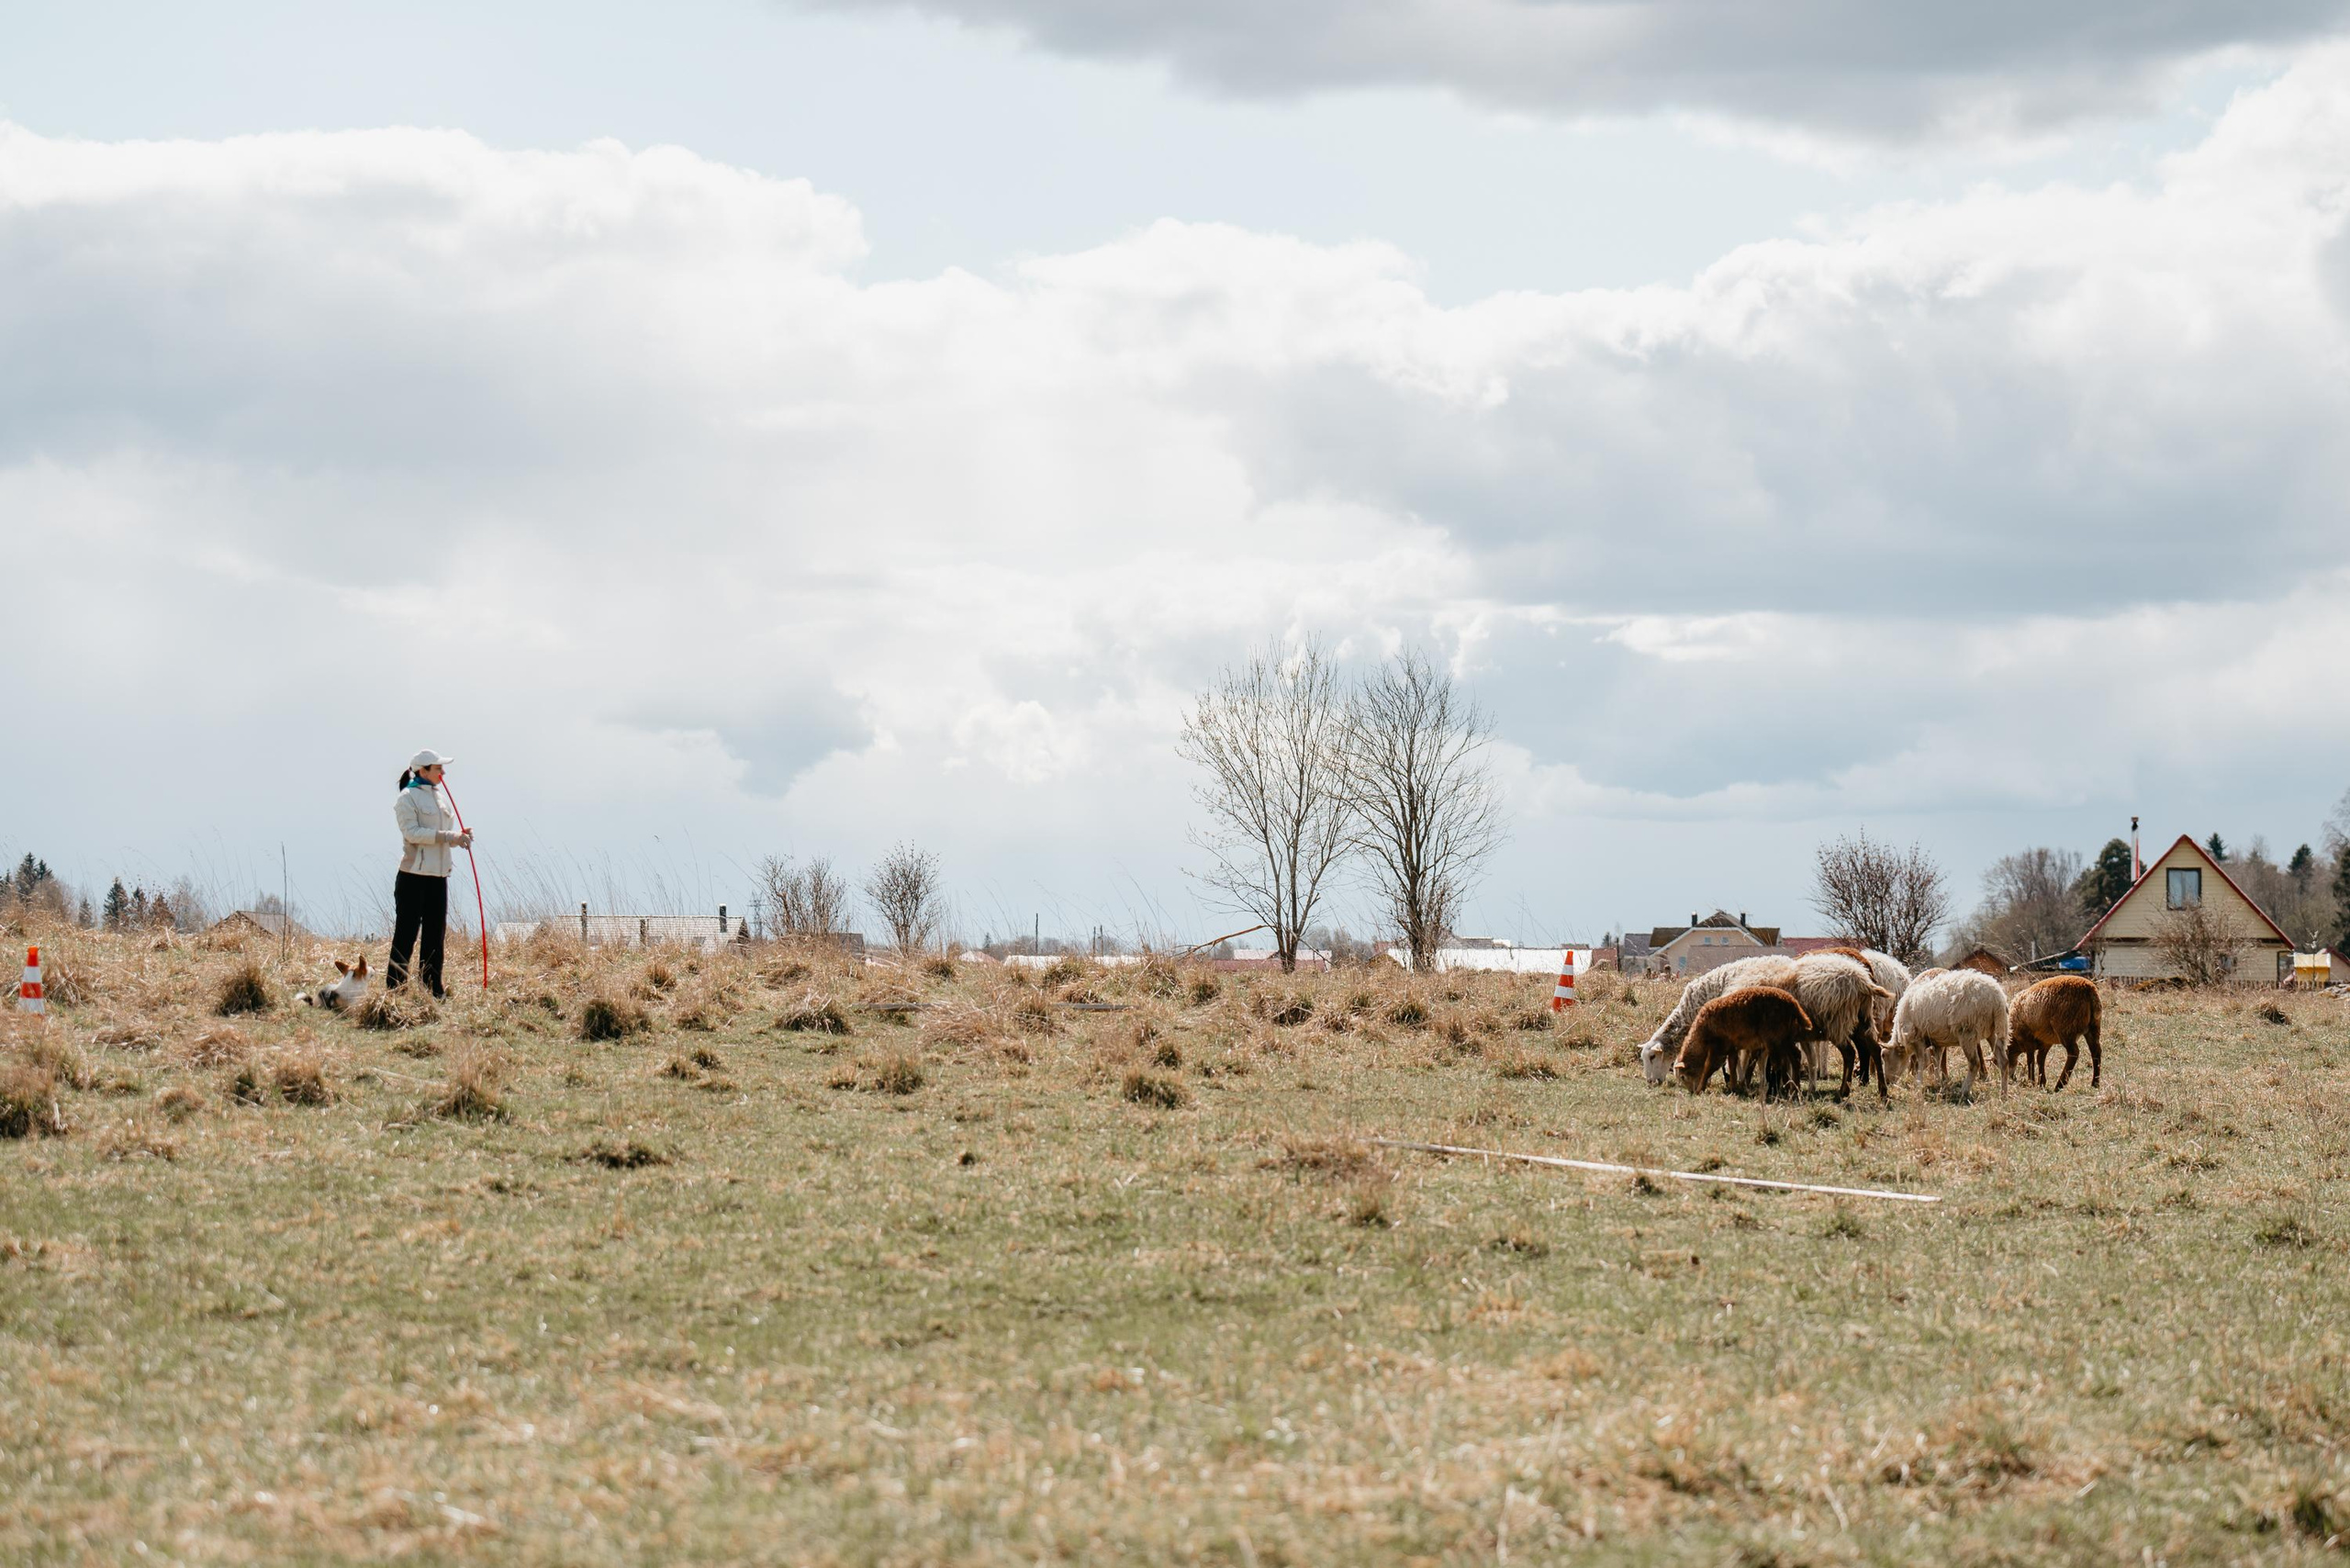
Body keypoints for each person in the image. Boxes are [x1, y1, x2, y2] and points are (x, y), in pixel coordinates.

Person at [388, 749, 473, 997]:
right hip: (412, 877)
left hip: (438, 877)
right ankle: (395, 988)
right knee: (406, 934)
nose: (443, 772)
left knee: (436, 935)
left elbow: (443, 834)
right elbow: (413, 833)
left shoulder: (440, 799)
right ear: (423, 771)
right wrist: (450, 837)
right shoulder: (406, 798)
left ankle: (433, 988)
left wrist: (460, 836)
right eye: (438, 768)